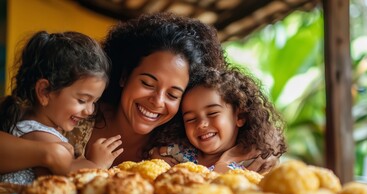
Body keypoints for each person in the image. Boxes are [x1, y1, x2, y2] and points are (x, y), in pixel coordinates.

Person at [0, 12, 226, 176]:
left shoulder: (179, 144)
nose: (157, 101)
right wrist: (49, 153)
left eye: (173, 95)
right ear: (124, 76)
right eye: (148, 83)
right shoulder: (70, 116)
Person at [0, 31, 123, 184]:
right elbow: (64, 184)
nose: (90, 110)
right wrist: (97, 164)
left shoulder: (38, 128)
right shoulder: (39, 135)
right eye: (82, 100)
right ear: (44, 92)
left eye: (94, 102)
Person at [150, 67, 287, 174]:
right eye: (190, 119)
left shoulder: (254, 164)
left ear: (240, 117)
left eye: (212, 113)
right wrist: (156, 158)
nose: (201, 124)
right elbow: (153, 156)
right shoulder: (178, 153)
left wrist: (224, 162)